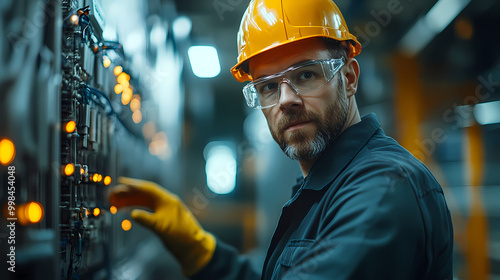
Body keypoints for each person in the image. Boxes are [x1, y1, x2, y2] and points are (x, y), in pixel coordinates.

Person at [109, 0, 454, 279]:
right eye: (268, 87)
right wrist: (202, 252)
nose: (285, 100)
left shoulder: (382, 189)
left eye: (305, 75)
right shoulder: (324, 187)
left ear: (349, 77)